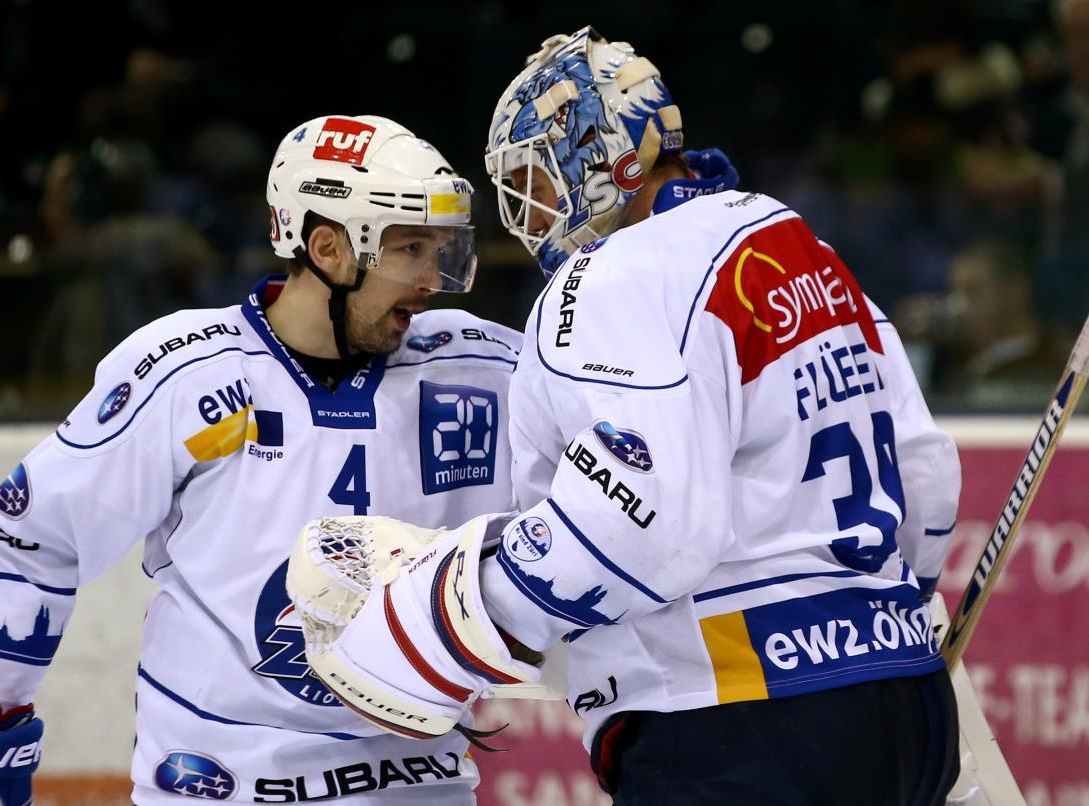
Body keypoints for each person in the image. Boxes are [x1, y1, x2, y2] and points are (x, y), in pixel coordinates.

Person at [287, 29, 964, 805]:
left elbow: (642, 518)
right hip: (905, 704)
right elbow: (926, 472)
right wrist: (890, 625)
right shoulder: (797, 243)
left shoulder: (615, 274)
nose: (533, 210)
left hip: (739, 719)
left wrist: (443, 624)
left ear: (608, 159)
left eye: (539, 177)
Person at [0, 114, 524, 804]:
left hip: (416, 782)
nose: (432, 279)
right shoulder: (188, 374)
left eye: (441, 249)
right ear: (326, 247)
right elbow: (40, 536)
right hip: (217, 783)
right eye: (409, 248)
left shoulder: (483, 368)